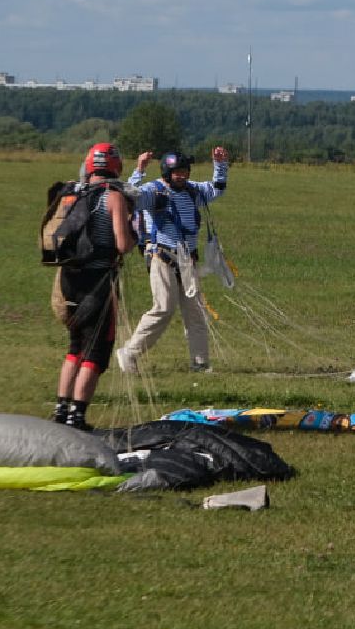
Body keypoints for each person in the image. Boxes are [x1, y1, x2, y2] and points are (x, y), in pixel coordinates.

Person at [114, 146, 230, 375]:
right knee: (164, 307)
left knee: (196, 312)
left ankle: (200, 363)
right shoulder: (154, 192)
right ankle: (129, 352)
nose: (183, 176)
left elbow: (217, 189)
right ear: (167, 172)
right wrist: (139, 170)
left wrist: (220, 165)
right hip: (162, 256)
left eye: (185, 171)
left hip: (188, 261)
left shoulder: (193, 191)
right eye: (178, 172)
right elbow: (129, 196)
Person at [53, 142, 135, 430]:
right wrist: (135, 231)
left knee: (75, 344)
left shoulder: (71, 194)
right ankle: (78, 415)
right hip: (98, 282)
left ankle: (61, 409)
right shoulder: (113, 197)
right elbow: (123, 245)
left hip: (67, 280)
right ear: (115, 166)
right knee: (96, 350)